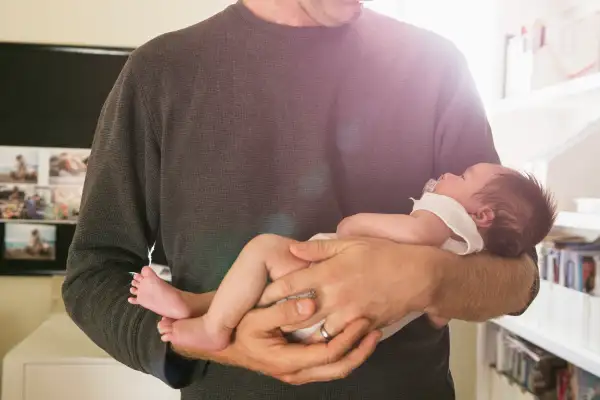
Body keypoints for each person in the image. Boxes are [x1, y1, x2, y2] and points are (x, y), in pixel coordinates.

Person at [62, 1, 542, 398]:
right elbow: (91, 276)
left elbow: (518, 279)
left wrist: (427, 276)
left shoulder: (437, 66)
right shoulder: (159, 74)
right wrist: (215, 346)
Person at [129, 163, 556, 350]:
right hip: (352, 327)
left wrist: (355, 225)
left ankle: (213, 326)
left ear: (481, 213)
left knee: (264, 252)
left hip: (319, 288)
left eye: (462, 176)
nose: (449, 174)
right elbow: (442, 312)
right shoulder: (472, 245)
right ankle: (194, 305)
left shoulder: (444, 214)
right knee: (261, 288)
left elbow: (415, 231)